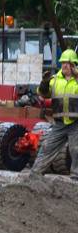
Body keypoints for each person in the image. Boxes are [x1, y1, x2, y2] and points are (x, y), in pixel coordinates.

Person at [31, 49, 78, 179]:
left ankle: (76, 177)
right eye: (63, 62)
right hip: (59, 123)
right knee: (47, 147)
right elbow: (43, 94)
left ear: (74, 64)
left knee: (76, 150)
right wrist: (44, 83)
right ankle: (35, 174)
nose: (65, 65)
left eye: (68, 63)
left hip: (76, 123)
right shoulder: (55, 79)